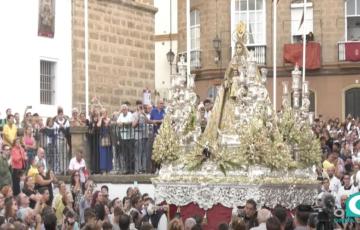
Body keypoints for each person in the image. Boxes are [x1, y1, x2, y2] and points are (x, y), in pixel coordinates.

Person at [97, 109, 112, 174]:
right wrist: (101, 118)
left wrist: (108, 122)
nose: (104, 114)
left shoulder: (109, 119)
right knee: (103, 154)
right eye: (102, 113)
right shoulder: (101, 120)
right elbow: (98, 125)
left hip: (108, 138)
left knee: (108, 154)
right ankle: (103, 169)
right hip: (102, 138)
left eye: (105, 112)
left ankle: (109, 169)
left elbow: (111, 126)